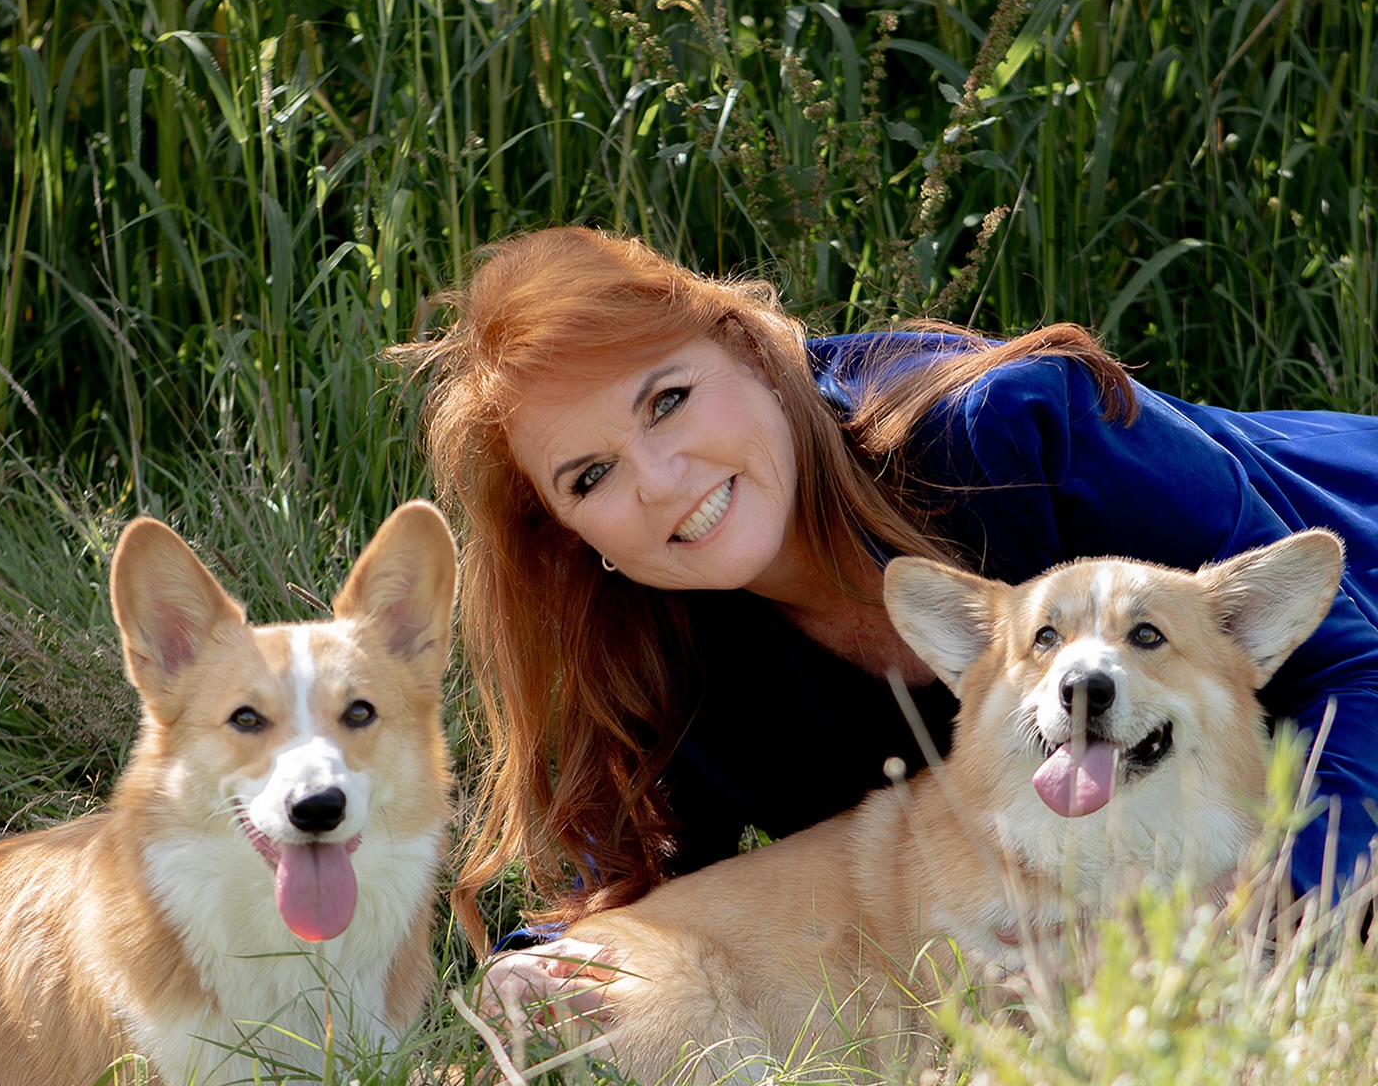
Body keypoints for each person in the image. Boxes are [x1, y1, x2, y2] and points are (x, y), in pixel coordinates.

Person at [394, 225, 1378, 999]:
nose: (658, 481)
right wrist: (544, 972)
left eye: (669, 400)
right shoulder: (663, 651)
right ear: (575, 534)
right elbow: (627, 895)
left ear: (747, 347)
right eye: (592, 474)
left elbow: (1348, 668)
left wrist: (1284, 914)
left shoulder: (1010, 431)